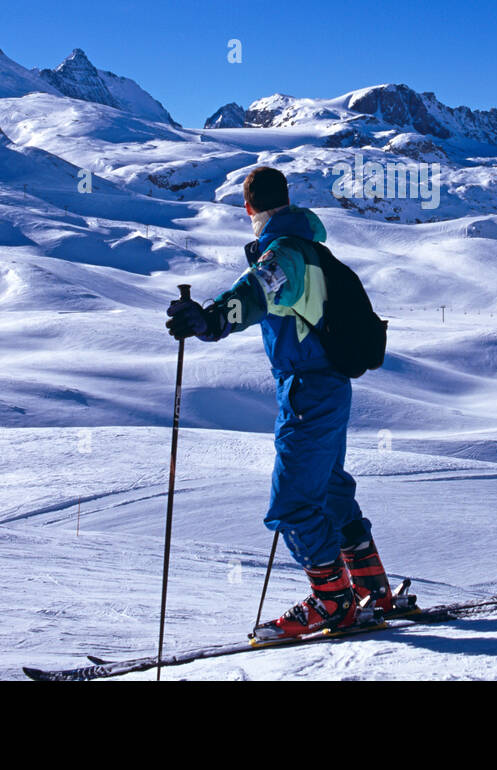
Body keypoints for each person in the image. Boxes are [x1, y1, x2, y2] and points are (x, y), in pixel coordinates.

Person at [166, 166, 393, 641]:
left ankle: (333, 602)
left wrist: (208, 320)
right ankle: (371, 587)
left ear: (248, 208)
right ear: (286, 200)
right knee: (328, 489)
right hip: (329, 385)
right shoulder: (311, 249)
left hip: (308, 389)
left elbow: (253, 294)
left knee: (292, 503)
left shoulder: (284, 253)